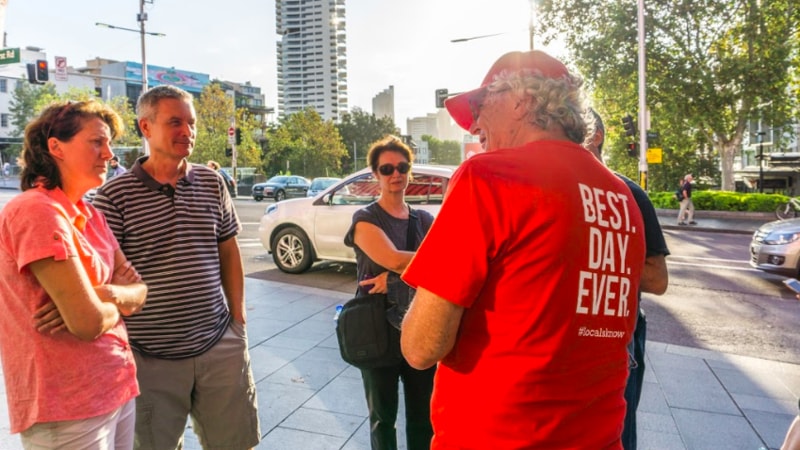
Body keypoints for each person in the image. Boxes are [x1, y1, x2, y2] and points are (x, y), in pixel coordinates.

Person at [400, 50, 647, 448]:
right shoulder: (623, 198)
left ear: (520, 100)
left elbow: (421, 347)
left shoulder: (489, 176)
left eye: (481, 106)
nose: (475, 125)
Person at [93, 85, 260, 450]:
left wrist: (238, 318)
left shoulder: (212, 182)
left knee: (235, 443)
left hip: (219, 344)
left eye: (191, 122)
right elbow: (105, 274)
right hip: (150, 357)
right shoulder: (114, 197)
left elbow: (228, 250)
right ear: (146, 127)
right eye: (175, 122)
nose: (188, 131)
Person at [0, 100, 147, 448]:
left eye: (109, 143)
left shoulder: (90, 214)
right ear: (56, 147)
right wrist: (106, 301)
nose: (109, 154)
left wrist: (104, 293)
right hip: (66, 405)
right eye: (96, 141)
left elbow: (139, 291)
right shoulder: (37, 211)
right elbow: (86, 323)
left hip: (115, 387)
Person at [343, 135, 436, 450]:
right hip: (376, 332)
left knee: (423, 418)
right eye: (387, 168)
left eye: (402, 166)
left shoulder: (424, 220)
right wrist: (425, 264)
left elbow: (444, 267)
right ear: (375, 174)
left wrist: (394, 282)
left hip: (420, 328)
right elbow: (396, 258)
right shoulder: (365, 219)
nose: (396, 174)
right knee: (383, 419)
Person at [587, 109, 670, 450]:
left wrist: (593, 261)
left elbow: (658, 280)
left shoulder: (630, 193)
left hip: (620, 338)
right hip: (570, 344)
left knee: (618, 432)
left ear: (596, 136)